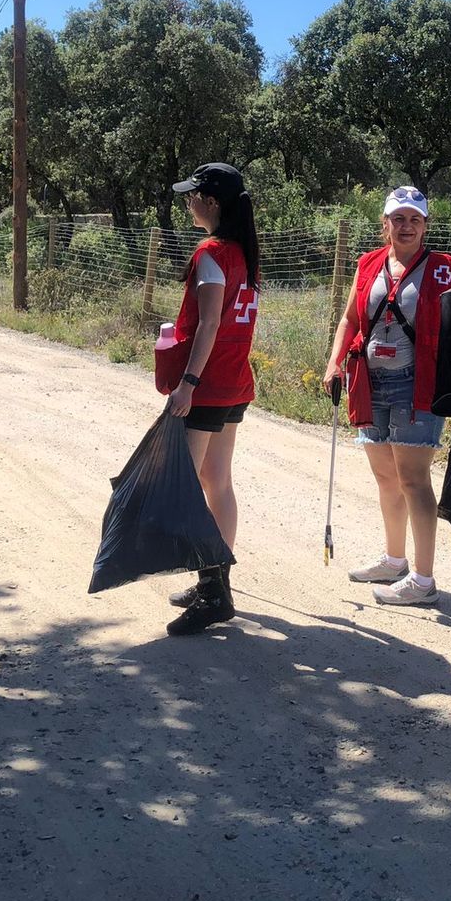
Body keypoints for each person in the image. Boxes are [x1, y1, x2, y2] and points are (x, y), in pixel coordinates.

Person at [322, 187, 451, 606]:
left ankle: (423, 580)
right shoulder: (368, 263)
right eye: (398, 218)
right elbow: (350, 319)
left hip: (417, 384)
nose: (406, 226)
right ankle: (394, 560)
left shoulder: (447, 269)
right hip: (371, 382)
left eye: (414, 219)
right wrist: (334, 362)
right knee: (386, 478)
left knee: (414, 480)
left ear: (426, 225)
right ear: (385, 223)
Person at [163, 163, 261, 637]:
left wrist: (188, 382)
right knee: (216, 481)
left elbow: (208, 324)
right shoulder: (244, 252)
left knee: (187, 487)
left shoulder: (211, 253)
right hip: (235, 381)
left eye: (193, 196)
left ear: (212, 202)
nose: (189, 203)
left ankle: (212, 592)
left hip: (208, 385)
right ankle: (217, 580)